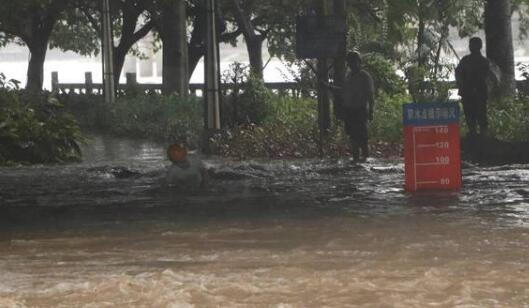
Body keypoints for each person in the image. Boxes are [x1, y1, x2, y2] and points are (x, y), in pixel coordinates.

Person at [340, 51, 375, 162]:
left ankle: (365, 159)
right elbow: (344, 92)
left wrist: (371, 110)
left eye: (354, 62)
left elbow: (370, 94)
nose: (352, 65)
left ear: (359, 62)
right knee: (353, 137)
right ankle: (355, 159)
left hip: (360, 109)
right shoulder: (348, 76)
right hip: (349, 110)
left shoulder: (365, 76)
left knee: (362, 137)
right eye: (350, 62)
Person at [455, 37, 491, 137]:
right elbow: (458, 74)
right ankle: (473, 134)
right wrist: (462, 83)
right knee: (470, 114)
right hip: (468, 92)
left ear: (479, 46)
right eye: (471, 45)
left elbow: (485, 77)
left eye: (473, 45)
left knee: (481, 114)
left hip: (479, 92)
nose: (471, 47)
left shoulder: (484, 62)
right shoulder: (466, 60)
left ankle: (483, 136)